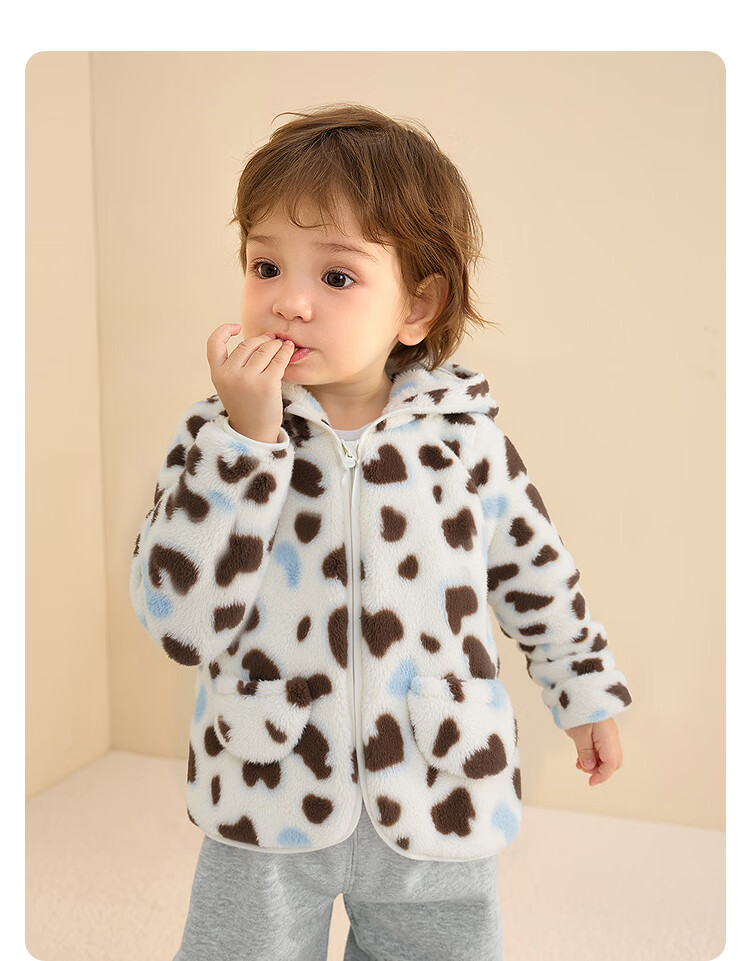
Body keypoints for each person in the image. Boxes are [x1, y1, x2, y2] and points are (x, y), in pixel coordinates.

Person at [129, 103, 633, 961]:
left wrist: (585, 691)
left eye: (337, 276)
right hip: (267, 783)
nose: (288, 301)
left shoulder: (467, 443)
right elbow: (180, 624)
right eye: (264, 265)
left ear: (418, 304)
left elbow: (538, 576)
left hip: (439, 782)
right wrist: (247, 444)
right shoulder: (217, 437)